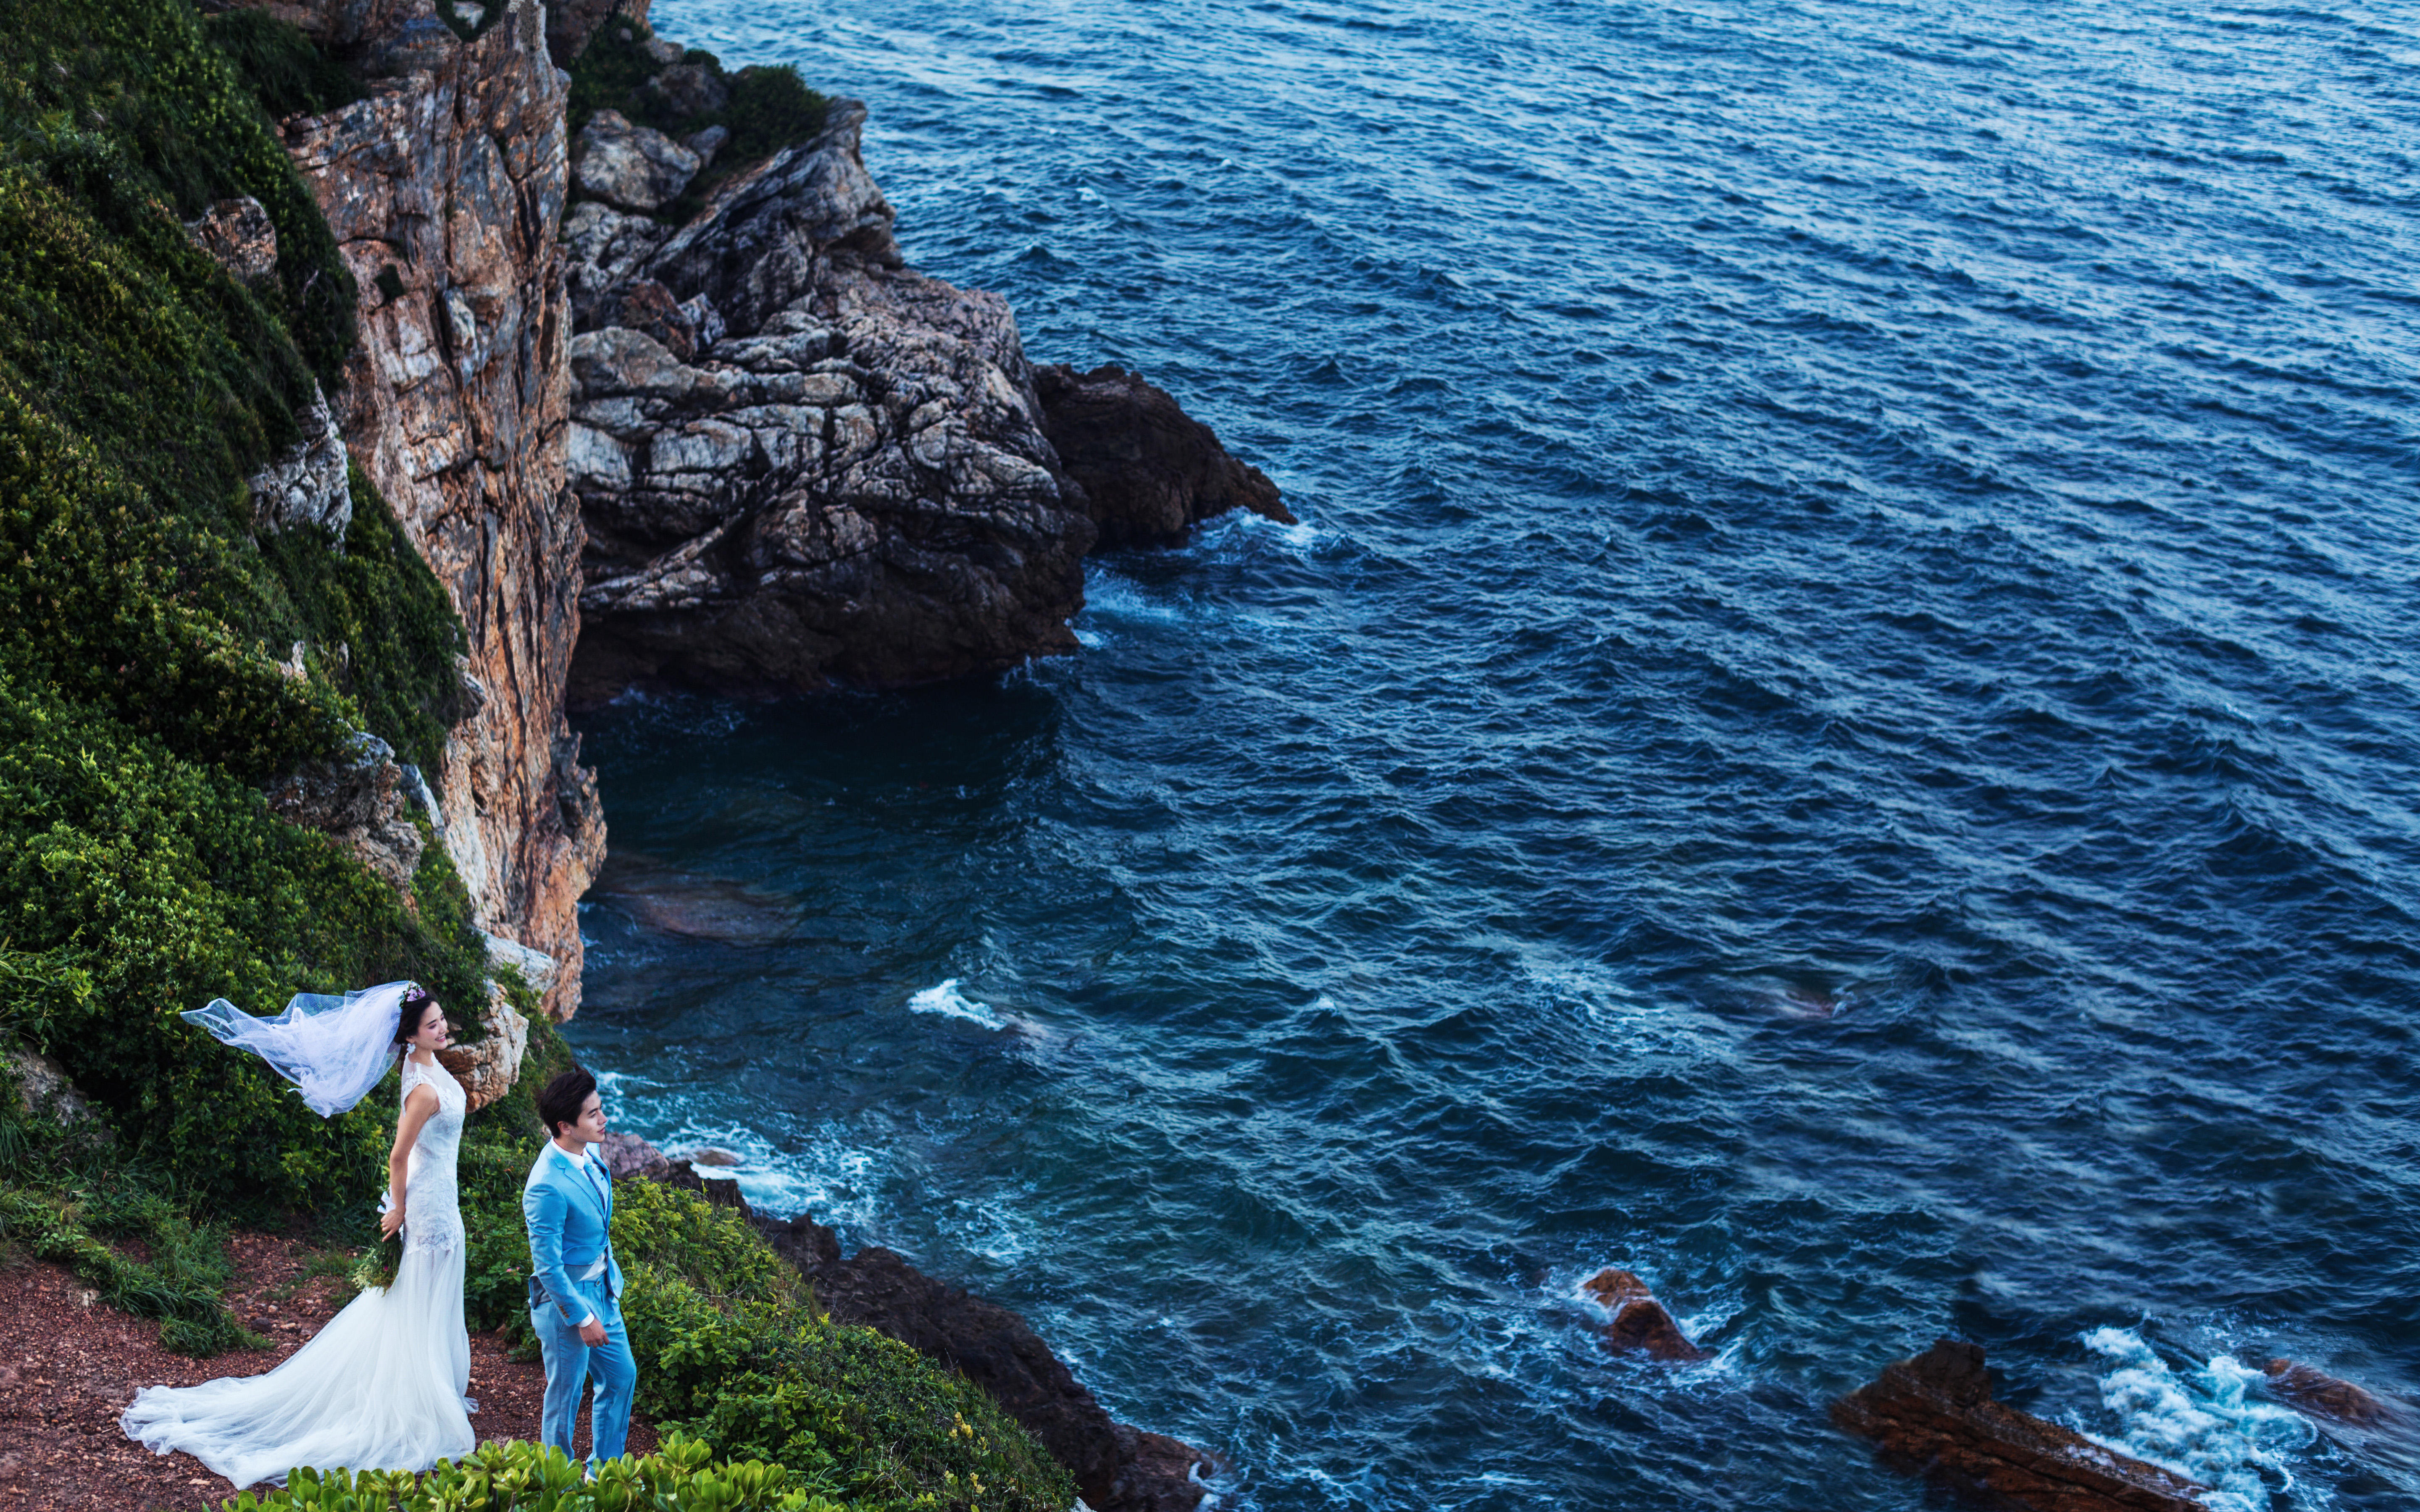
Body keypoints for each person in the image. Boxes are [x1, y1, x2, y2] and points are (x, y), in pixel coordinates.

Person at [122, 983, 477, 1487]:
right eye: (433, 1025)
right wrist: (398, 1210)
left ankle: (429, 1382)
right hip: (429, 1204)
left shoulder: (424, 1069)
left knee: (423, 1293)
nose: (443, 1029)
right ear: (410, 1036)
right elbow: (399, 1155)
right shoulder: (422, 1088)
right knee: (418, 1294)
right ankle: (414, 1397)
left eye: (443, 1020)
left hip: (441, 1194)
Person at [523, 1066, 636, 1467]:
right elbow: (548, 1267)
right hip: (565, 1303)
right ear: (564, 1126)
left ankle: (604, 1472)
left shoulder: (589, 1152)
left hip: (603, 1289)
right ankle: (554, 1479)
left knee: (621, 1376)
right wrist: (582, 1317)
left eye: (601, 1109)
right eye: (593, 1114)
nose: (604, 1120)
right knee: (565, 1395)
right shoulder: (545, 1186)